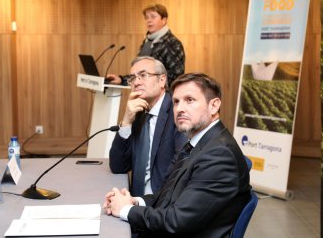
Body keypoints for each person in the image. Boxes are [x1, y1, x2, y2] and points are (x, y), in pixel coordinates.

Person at [104, 73, 251, 237]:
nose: (180, 108)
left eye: (190, 100)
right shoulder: (196, 143)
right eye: (176, 102)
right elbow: (166, 196)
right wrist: (135, 202)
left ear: (214, 106)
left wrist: (126, 210)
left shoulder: (220, 155)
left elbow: (176, 221)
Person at [109, 56, 187, 197]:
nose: (136, 82)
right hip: (135, 201)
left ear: (162, 80)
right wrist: (126, 122)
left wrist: (142, 205)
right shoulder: (138, 114)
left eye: (143, 75)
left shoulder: (178, 113)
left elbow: (181, 171)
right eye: (132, 78)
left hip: (161, 203)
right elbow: (118, 166)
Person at [107, 3, 185, 87]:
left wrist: (150, 82)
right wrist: (122, 79)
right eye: (146, 17)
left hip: (163, 96)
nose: (149, 20)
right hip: (145, 93)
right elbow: (140, 72)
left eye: (153, 16)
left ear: (164, 20)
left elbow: (176, 76)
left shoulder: (172, 43)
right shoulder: (147, 41)